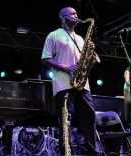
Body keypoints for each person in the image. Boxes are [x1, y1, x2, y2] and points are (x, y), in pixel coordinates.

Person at [41, 7, 99, 155]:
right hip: (63, 85)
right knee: (66, 122)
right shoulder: (53, 35)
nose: (76, 16)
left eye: (76, 13)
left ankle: (92, 152)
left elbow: (84, 60)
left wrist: (90, 52)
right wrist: (67, 68)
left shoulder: (80, 38)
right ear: (62, 17)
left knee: (90, 118)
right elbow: (46, 59)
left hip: (83, 85)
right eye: (72, 13)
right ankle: (67, 153)